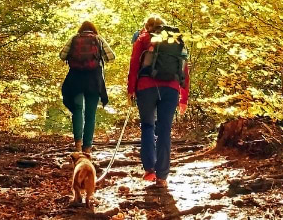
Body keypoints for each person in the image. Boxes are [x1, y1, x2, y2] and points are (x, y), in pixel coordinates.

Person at [127, 15, 190, 186]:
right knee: (164, 130)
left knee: (148, 126)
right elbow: (184, 68)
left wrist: (131, 89)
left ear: (146, 26)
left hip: (146, 87)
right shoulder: (176, 41)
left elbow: (134, 65)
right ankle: (162, 177)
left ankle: (149, 170)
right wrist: (184, 97)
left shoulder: (143, 39)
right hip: (171, 88)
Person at [60, 21, 115, 154]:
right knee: (91, 114)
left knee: (78, 110)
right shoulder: (98, 39)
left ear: (81, 30)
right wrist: (97, 58)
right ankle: (87, 147)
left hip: (76, 79)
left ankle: (78, 145)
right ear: (93, 29)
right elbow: (111, 57)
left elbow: (62, 55)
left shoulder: (74, 38)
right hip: (94, 79)